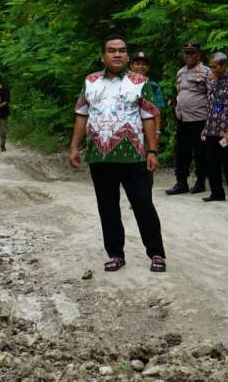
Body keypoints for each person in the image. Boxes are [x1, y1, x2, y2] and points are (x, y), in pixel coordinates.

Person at [69, 34, 166, 273]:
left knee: (143, 204)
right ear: (103, 56)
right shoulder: (91, 81)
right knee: (108, 207)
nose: (117, 54)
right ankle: (115, 254)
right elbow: (82, 114)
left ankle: (156, 253)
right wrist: (74, 146)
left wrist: (152, 150)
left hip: (133, 156)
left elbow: (149, 118)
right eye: (112, 50)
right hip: (99, 157)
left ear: (127, 55)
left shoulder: (139, 81)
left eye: (122, 50)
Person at [166, 41, 210, 195]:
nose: (189, 55)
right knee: (181, 151)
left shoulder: (206, 72)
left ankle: (200, 182)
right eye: (187, 53)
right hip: (182, 118)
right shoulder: (181, 72)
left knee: (200, 152)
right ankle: (181, 182)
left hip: (199, 118)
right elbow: (179, 92)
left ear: (199, 54)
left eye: (192, 52)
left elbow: (211, 95)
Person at [200, 52, 228, 202]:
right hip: (211, 128)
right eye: (211, 67)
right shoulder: (212, 82)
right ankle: (216, 193)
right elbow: (211, 106)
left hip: (224, 130)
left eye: (215, 67)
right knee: (211, 163)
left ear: (223, 66)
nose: (212, 69)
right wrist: (205, 128)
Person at [129, 52, 165, 189]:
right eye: (137, 64)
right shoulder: (125, 84)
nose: (140, 67)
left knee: (148, 162)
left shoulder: (153, 86)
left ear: (148, 67)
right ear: (131, 65)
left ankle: (146, 195)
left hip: (146, 132)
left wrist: (157, 131)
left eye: (144, 64)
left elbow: (157, 111)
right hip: (129, 130)